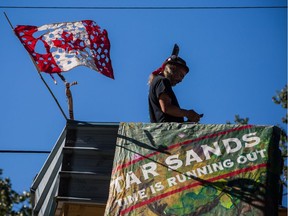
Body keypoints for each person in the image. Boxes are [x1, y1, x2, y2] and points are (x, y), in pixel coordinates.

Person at [148, 45, 202, 123]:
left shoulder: (158, 81)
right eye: (180, 75)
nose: (181, 80)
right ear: (172, 69)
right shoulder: (162, 81)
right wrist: (188, 113)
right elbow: (166, 108)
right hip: (167, 132)